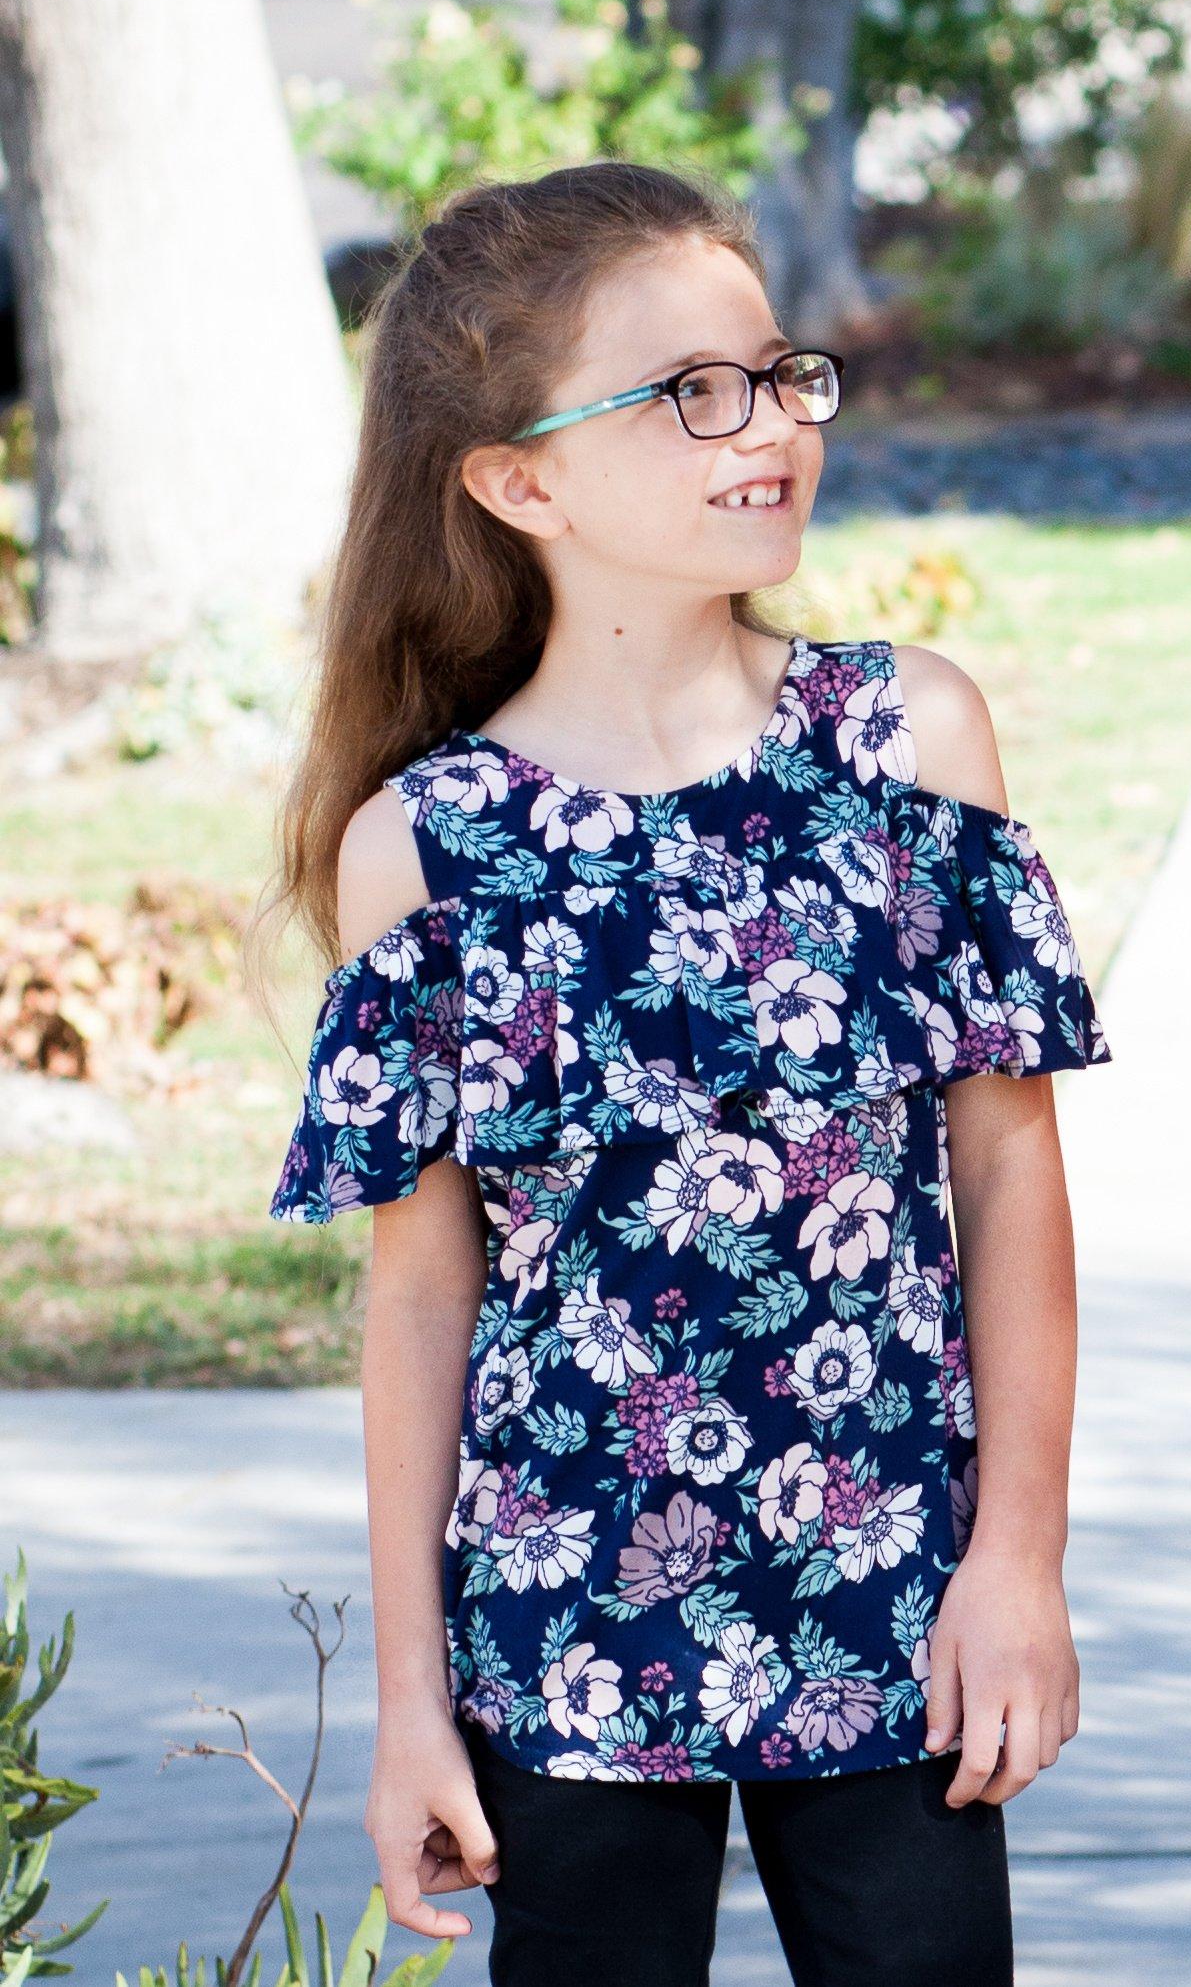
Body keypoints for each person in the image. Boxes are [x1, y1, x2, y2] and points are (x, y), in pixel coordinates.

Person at [263, 165, 1107, 1986]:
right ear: (519, 479)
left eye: (779, 373)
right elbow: (423, 1292)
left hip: (894, 1590)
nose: (769, 427)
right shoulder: (431, 845)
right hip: (562, 1620)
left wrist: (1016, 1560)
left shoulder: (911, 741)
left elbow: (1010, 1178)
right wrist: (414, 1698)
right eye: (689, 393)